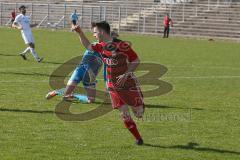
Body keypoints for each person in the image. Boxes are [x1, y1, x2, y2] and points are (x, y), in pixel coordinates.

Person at [72, 21, 145, 145]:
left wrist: (126, 73)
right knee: (124, 113)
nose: (94, 35)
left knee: (139, 113)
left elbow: (136, 60)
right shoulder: (100, 46)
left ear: (101, 31)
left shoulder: (122, 45)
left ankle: (139, 102)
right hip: (113, 85)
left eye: (95, 32)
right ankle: (138, 138)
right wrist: (79, 32)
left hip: (128, 82)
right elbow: (88, 46)